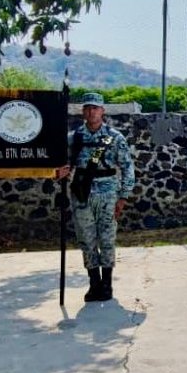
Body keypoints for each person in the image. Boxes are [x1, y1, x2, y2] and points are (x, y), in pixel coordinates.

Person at [57, 93, 135, 303]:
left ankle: (107, 284)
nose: (91, 112)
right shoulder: (73, 138)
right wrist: (59, 172)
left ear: (103, 111)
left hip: (108, 192)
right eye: (88, 108)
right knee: (87, 239)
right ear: (83, 111)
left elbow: (127, 167)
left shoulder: (115, 137)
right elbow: (61, 163)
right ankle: (94, 283)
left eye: (96, 108)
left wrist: (123, 196)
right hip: (82, 193)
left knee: (107, 239)